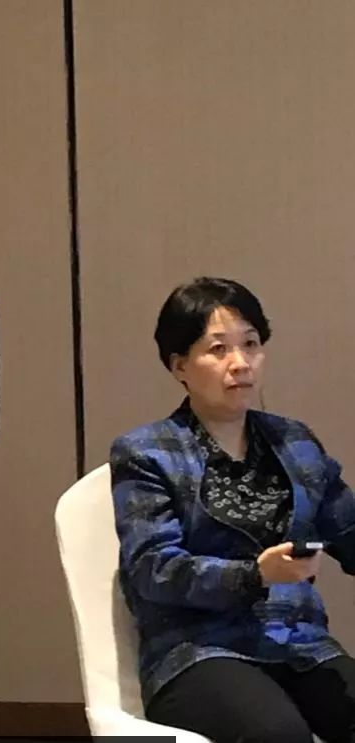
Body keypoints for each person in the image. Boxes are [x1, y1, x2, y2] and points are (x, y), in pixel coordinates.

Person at [111, 277, 355, 743]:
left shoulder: (294, 441)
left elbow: (348, 529)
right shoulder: (147, 452)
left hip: (300, 644)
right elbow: (153, 569)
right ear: (179, 365)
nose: (240, 363)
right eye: (218, 349)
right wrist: (254, 575)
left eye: (251, 344)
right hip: (198, 651)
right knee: (278, 734)